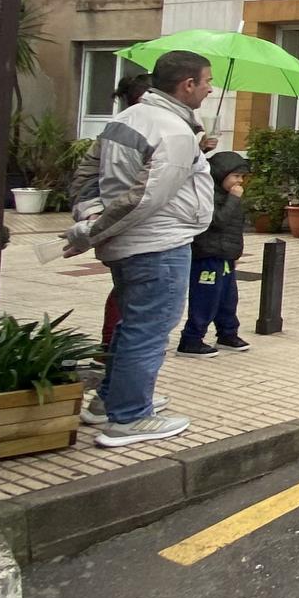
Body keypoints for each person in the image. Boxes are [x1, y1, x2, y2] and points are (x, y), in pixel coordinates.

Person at [62, 50, 216, 447]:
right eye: (206, 81)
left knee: (131, 325)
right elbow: (145, 197)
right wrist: (91, 231)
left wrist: (89, 218)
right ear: (187, 85)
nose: (210, 88)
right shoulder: (174, 132)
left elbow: (85, 176)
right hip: (158, 245)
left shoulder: (126, 118)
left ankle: (109, 401)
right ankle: (129, 418)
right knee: (147, 330)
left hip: (131, 245)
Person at [71, 71, 153, 357]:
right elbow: (90, 179)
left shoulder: (162, 133)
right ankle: (112, 359)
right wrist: (95, 220)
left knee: (127, 294)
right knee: (135, 305)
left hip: (130, 232)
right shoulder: (121, 134)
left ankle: (112, 360)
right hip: (138, 236)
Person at [177, 151, 251, 356]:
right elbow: (216, 221)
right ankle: (191, 339)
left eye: (242, 177)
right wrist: (234, 200)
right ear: (221, 174)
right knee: (205, 298)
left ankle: (227, 333)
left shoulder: (228, 196)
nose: (240, 181)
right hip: (207, 255)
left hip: (225, 255)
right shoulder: (208, 194)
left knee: (228, 297)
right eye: (235, 176)